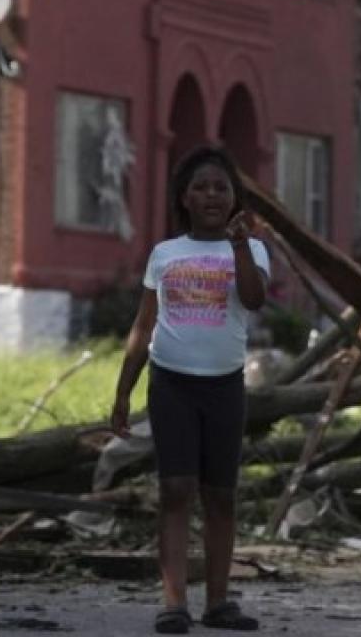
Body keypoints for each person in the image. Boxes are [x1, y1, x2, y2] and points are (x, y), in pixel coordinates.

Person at [112, 146, 273, 634]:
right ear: (183, 197)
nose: (210, 195)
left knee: (220, 495)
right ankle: (174, 601)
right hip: (171, 385)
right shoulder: (165, 254)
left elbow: (254, 298)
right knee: (175, 489)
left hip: (224, 387)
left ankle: (218, 602)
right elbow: (143, 326)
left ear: (234, 198)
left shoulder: (252, 249)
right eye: (200, 187)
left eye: (220, 188)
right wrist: (123, 391)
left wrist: (241, 245)